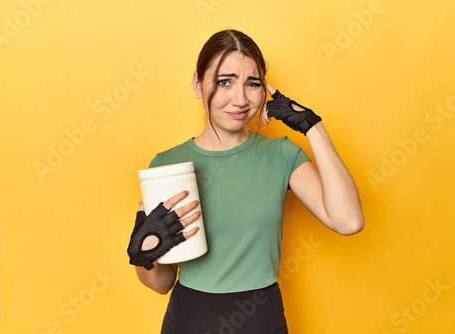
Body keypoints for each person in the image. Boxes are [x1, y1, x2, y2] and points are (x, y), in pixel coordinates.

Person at [127, 29, 364, 333]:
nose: (240, 99)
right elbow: (161, 284)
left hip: (261, 320)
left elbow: (348, 221)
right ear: (198, 85)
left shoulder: (281, 154)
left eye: (252, 84)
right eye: (225, 82)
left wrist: (312, 126)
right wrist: (141, 255)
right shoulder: (166, 165)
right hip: (189, 320)